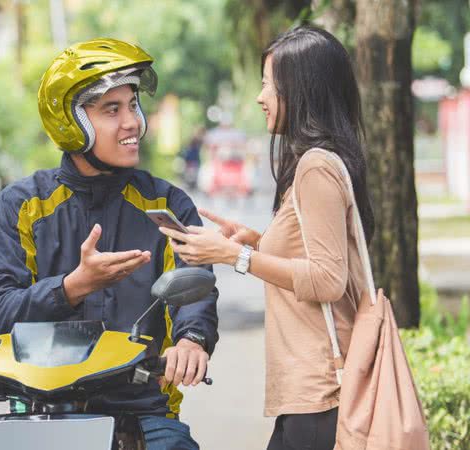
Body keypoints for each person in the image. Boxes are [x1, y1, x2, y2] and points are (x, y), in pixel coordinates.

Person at [0, 38, 219, 450]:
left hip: (142, 410)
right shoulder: (22, 206)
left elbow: (193, 285)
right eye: (112, 109)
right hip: (41, 412)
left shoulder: (167, 205)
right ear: (71, 123)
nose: (133, 123)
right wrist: (72, 287)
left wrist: (191, 340)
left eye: (133, 105)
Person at [157, 26, 374, 450]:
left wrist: (235, 255)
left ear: (301, 90)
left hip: (322, 391)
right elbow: (315, 253)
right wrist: (256, 242)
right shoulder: (322, 161)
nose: (260, 97)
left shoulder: (315, 167)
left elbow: (328, 278)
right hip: (313, 391)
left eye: (268, 85)